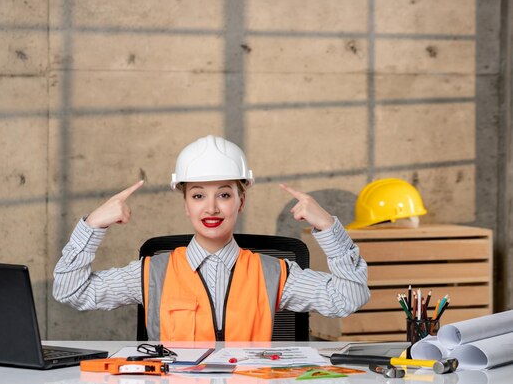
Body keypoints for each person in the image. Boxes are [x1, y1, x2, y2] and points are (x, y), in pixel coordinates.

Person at [53, 135, 370, 341]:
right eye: (198, 195)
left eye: (224, 194)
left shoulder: (274, 274)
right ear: (186, 205)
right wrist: (93, 225)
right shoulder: (151, 274)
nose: (212, 207)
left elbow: (350, 297)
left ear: (240, 202)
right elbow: (70, 291)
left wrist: (329, 229)